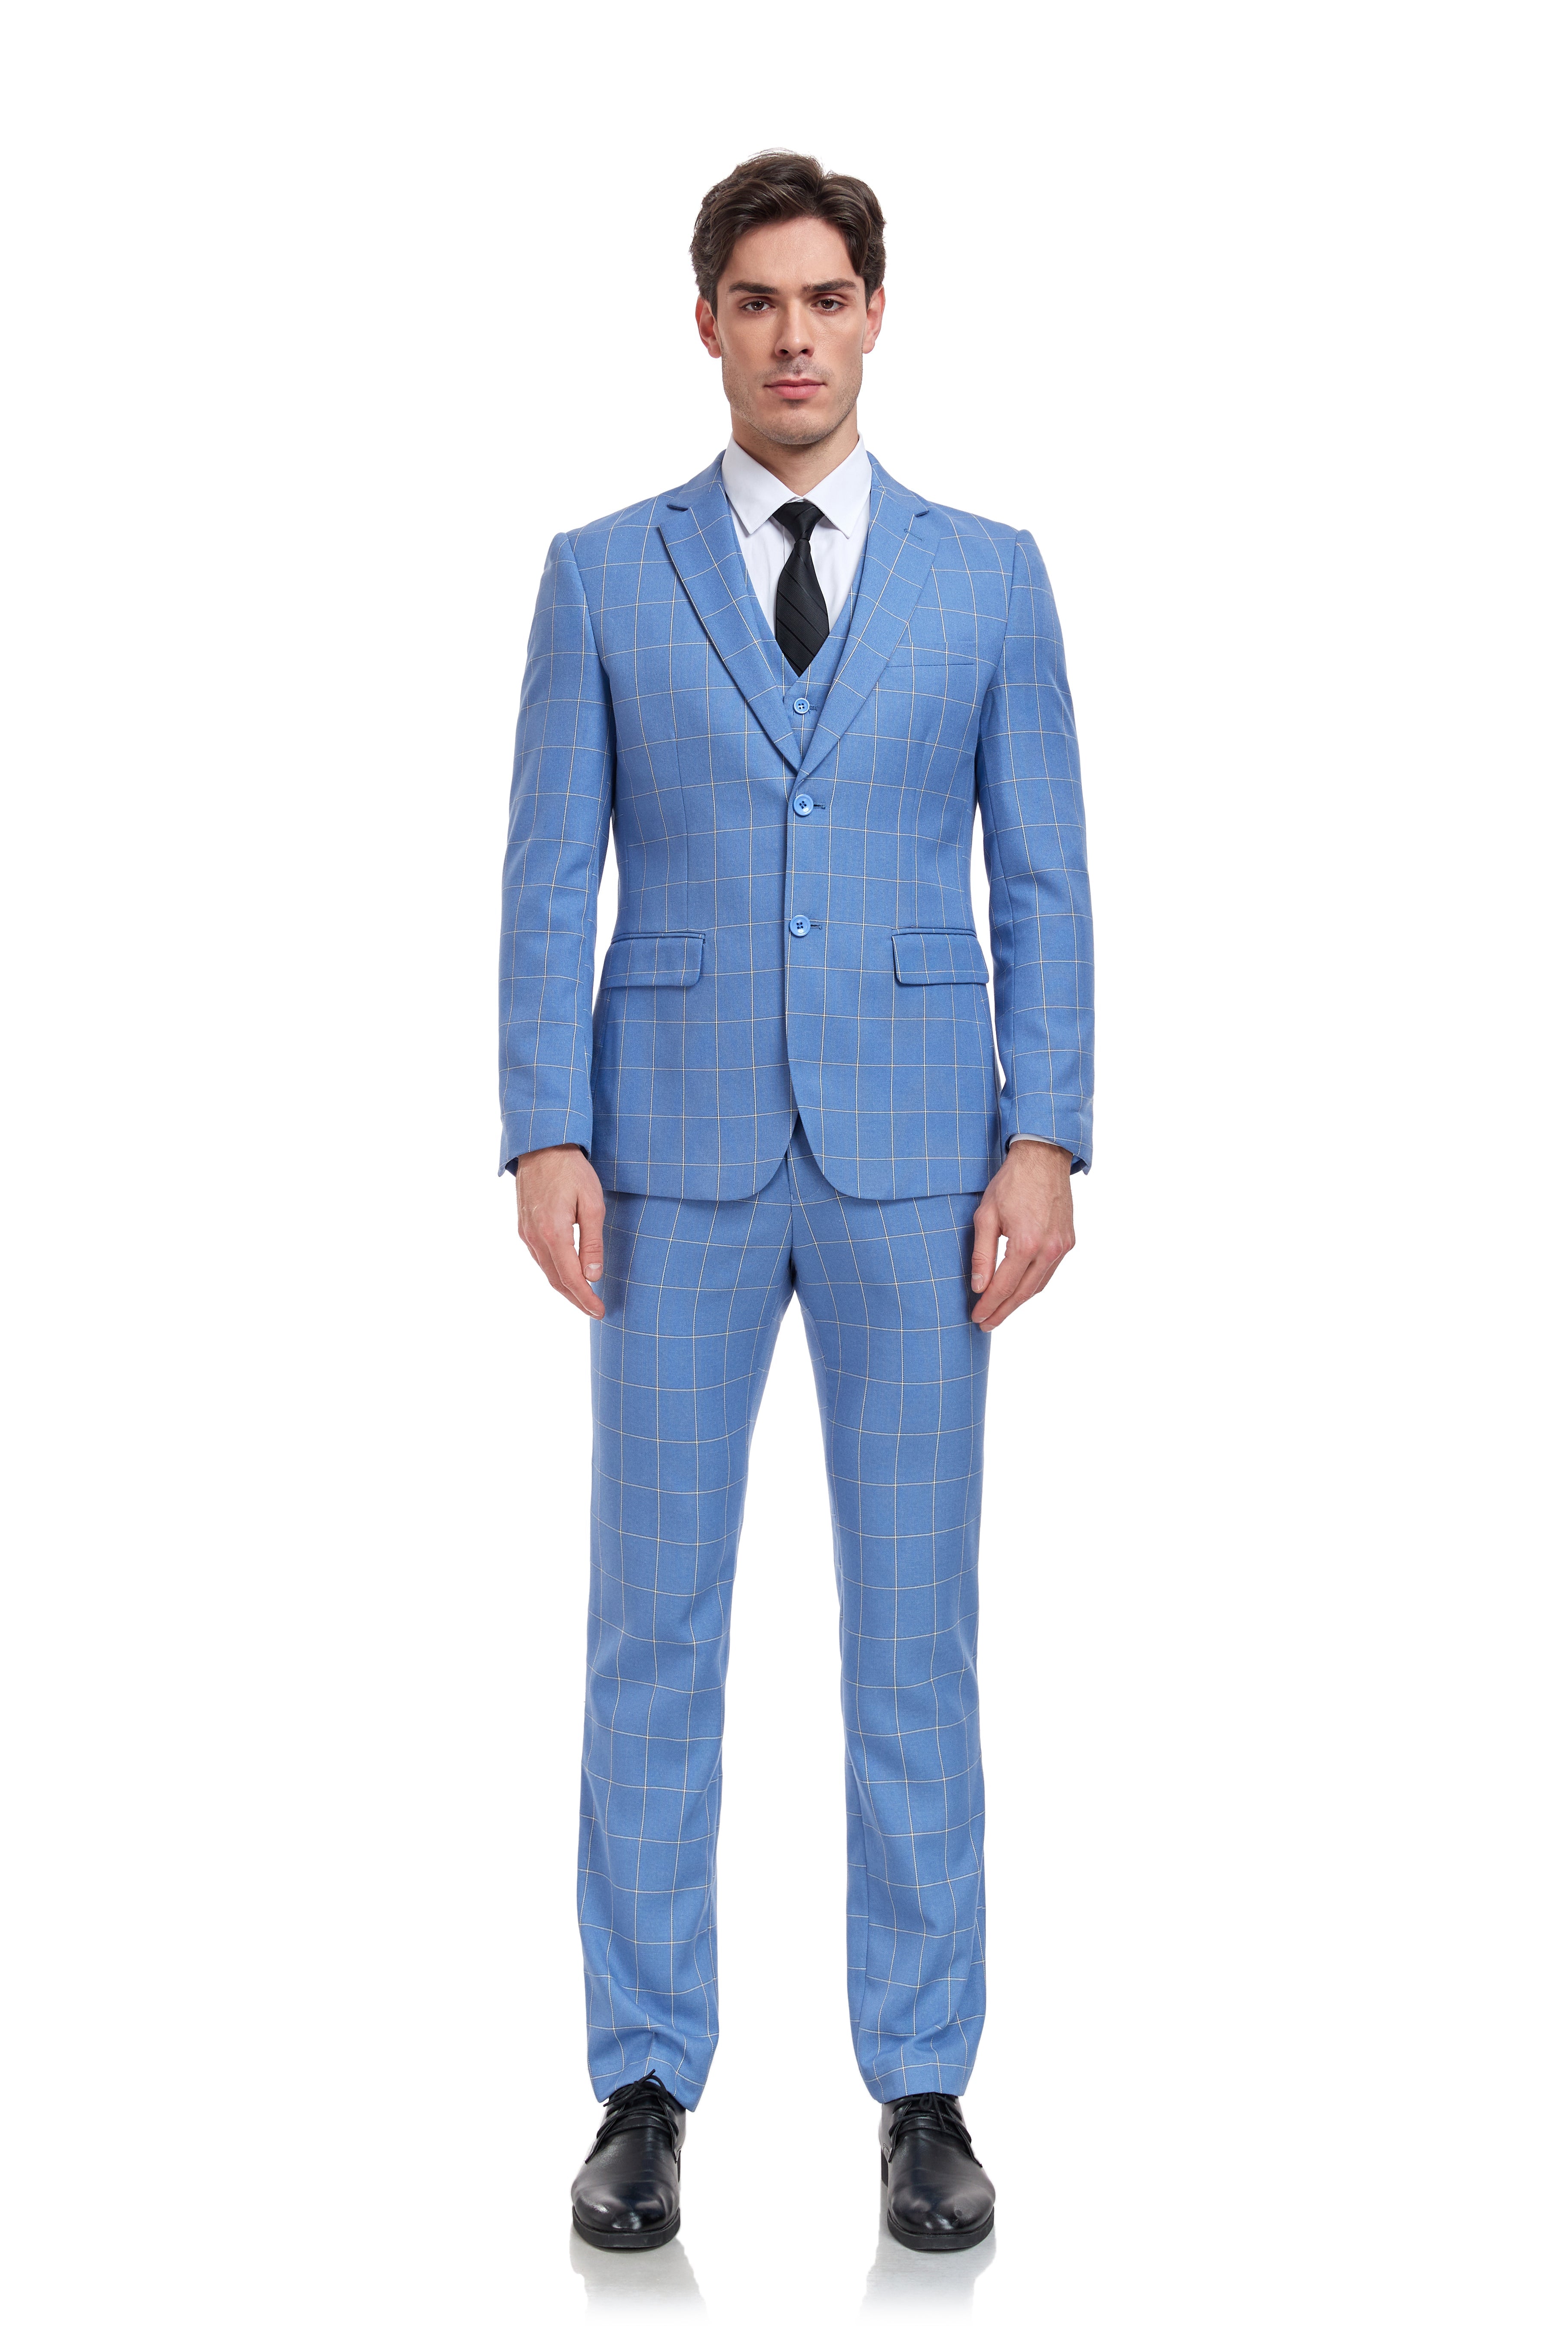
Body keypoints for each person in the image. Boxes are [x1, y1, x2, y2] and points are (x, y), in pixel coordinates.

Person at [499, 150, 1093, 2255]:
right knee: (652, 1626)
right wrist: (544, 1127)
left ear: (874, 315)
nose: (794, 335)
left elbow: (1043, 873)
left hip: (923, 1162)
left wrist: (1049, 1132)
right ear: (707, 324)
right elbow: (548, 874)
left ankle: (923, 2089)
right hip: (664, 1159)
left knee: (912, 1630)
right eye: (756, 299)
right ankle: (642, 2085)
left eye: (826, 297)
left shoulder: (990, 579)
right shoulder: (602, 577)